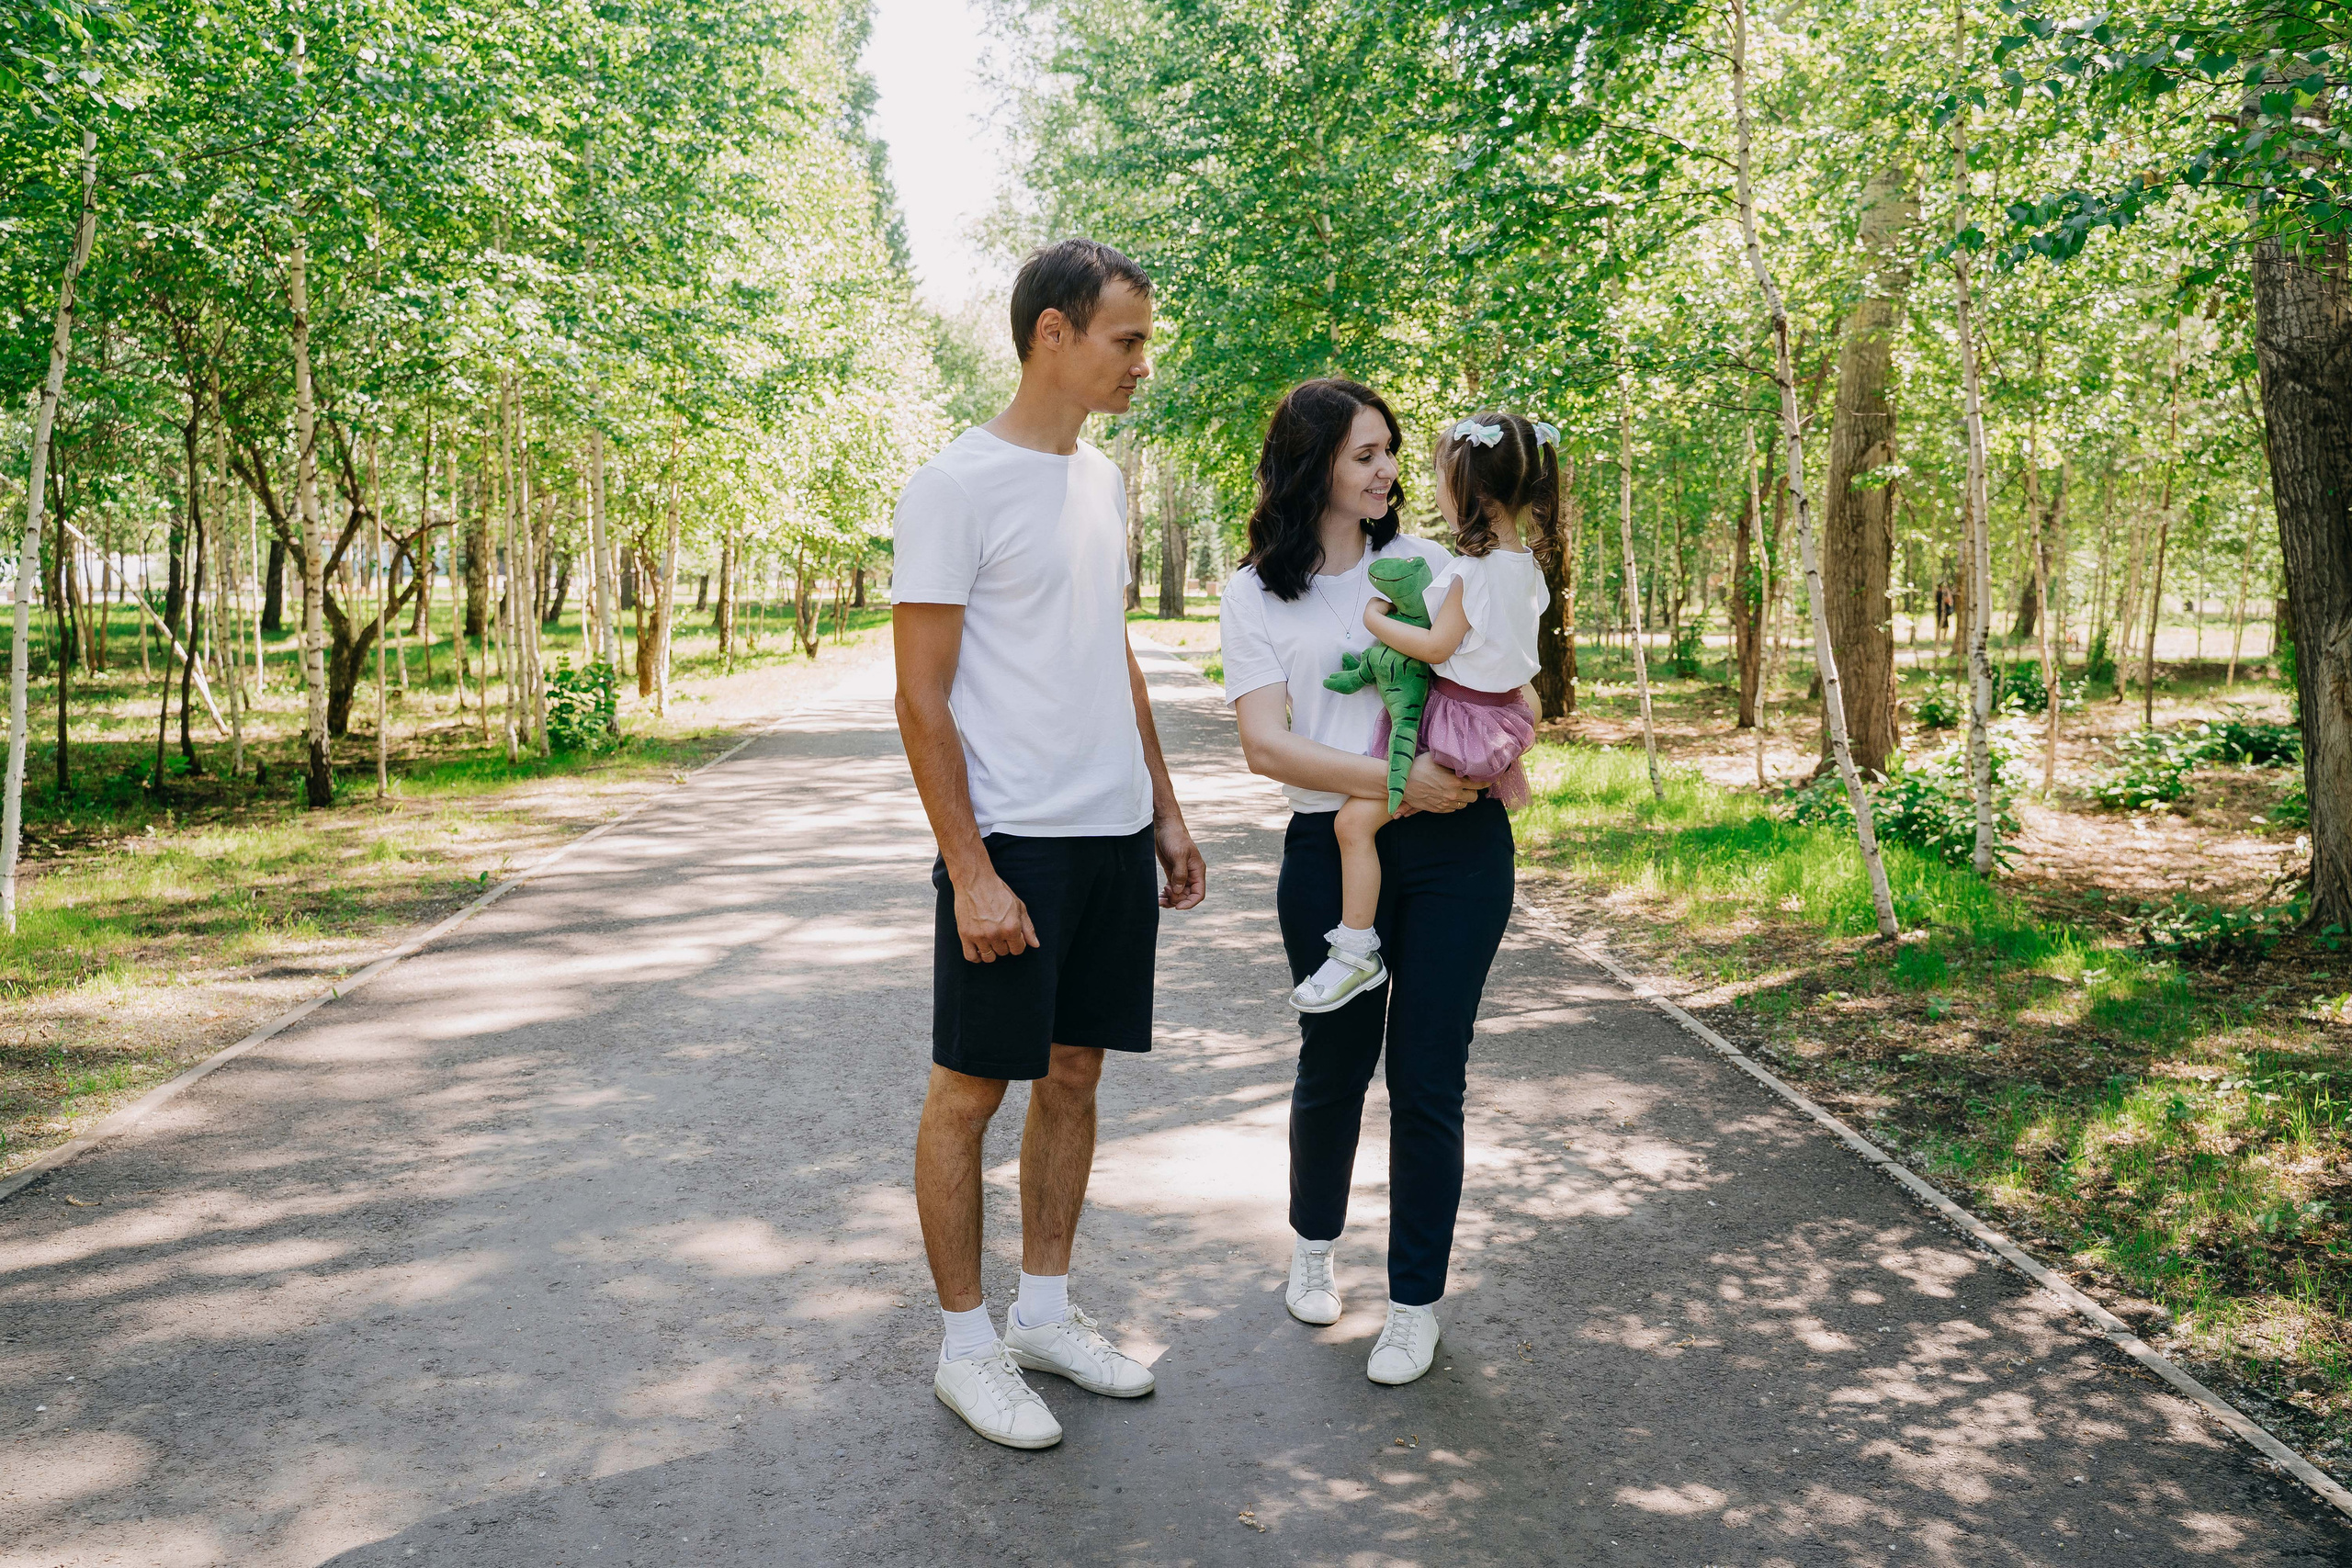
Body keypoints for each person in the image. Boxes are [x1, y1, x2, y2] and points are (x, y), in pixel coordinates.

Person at [892, 239, 1208, 1450]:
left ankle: (1043, 1312)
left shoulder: (1102, 481)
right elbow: (921, 697)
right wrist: (971, 867)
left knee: (1076, 1073)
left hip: (1110, 832)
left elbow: (1108, 649)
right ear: (1053, 336)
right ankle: (966, 1346)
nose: (1142, 363)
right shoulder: (956, 486)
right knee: (970, 1090)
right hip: (1013, 839)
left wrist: (1165, 809)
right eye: (1127, 340)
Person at [1217, 378, 1510, 1388]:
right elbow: (1266, 746)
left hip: (1454, 851)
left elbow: (1506, 672)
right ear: (1311, 469)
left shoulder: (1429, 566)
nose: (1389, 471)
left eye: (1390, 452)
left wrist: (1460, 771)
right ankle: (1311, 1248)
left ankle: (1413, 1306)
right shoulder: (1253, 591)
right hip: (1332, 849)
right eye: (1365, 455)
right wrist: (1398, 781)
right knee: (1333, 1063)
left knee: (1427, 1079)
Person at [1289, 411, 1558, 1013]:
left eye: (1441, 474)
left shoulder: (1469, 571)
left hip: (1457, 723)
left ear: (1472, 490)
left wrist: (1376, 621)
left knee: (1353, 825)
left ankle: (1355, 950)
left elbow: (1438, 648)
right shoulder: (1527, 567)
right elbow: (1511, 658)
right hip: (1498, 714)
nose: (1432, 485)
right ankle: (1360, 946)